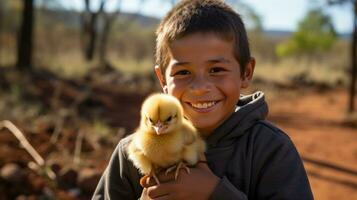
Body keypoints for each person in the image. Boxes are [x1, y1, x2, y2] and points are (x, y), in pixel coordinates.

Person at [92, 0, 314, 199]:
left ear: (246, 73)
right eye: (183, 73)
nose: (199, 88)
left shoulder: (269, 148)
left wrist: (215, 193)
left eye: (216, 69)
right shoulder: (134, 151)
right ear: (163, 80)